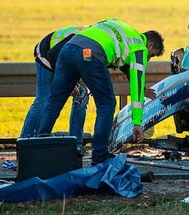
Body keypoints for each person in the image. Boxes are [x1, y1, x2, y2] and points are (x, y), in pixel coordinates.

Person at [37, 19, 164, 165]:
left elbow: (125, 67)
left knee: (54, 101)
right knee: (107, 104)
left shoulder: (122, 29)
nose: (148, 59)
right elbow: (136, 83)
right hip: (89, 55)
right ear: (150, 45)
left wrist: (143, 90)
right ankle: (100, 154)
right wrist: (137, 123)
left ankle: (39, 147)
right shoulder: (140, 48)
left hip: (68, 49)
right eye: (152, 55)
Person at [20, 25, 90, 152]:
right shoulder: (79, 38)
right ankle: (25, 142)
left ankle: (76, 145)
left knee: (82, 97)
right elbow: (53, 55)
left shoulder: (95, 45)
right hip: (47, 54)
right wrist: (68, 81)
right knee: (43, 99)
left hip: (72, 59)